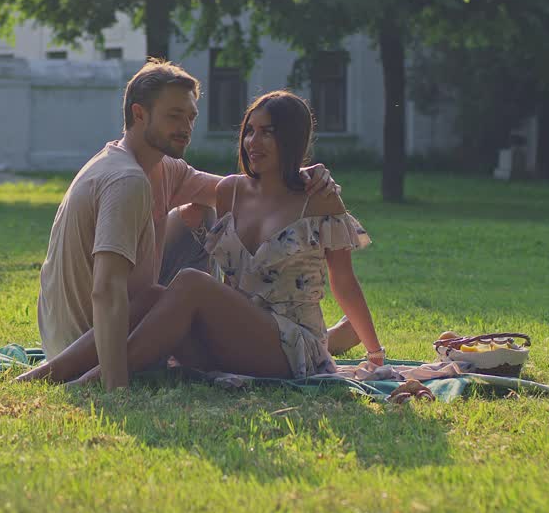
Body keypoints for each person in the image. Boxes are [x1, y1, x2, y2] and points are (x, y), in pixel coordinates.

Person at [18, 61, 340, 389]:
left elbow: (245, 193)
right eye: (174, 116)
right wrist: (115, 386)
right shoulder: (126, 179)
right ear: (139, 114)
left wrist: (300, 176)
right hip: (97, 339)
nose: (186, 127)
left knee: (192, 230)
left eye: (191, 117)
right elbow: (106, 289)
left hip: (82, 336)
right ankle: (89, 378)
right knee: (188, 285)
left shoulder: (162, 168)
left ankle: (38, 376)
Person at [67, 90, 383, 384]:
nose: (253, 142)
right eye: (249, 130)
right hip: (230, 342)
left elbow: (343, 281)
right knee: (152, 295)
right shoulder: (228, 191)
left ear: (292, 138)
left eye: (267, 132)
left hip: (292, 349)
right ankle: (46, 373)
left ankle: (96, 380)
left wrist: (375, 354)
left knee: (191, 281)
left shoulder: (318, 198)